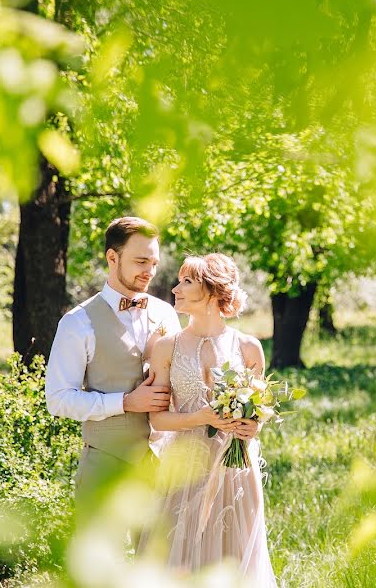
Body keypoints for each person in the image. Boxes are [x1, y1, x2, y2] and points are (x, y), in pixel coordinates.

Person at [140, 253, 276, 586]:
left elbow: (258, 411)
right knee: (181, 559)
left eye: (187, 281)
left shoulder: (248, 348)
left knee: (235, 556)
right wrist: (199, 417)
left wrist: (254, 426)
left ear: (213, 290)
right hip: (184, 470)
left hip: (236, 467)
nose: (175, 288)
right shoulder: (165, 347)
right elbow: (157, 420)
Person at [44, 216, 181, 511]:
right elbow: (57, 400)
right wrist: (126, 402)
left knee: (160, 557)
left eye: (154, 263)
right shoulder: (77, 322)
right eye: (141, 262)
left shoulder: (167, 314)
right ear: (112, 257)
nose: (150, 272)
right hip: (105, 464)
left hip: (162, 464)